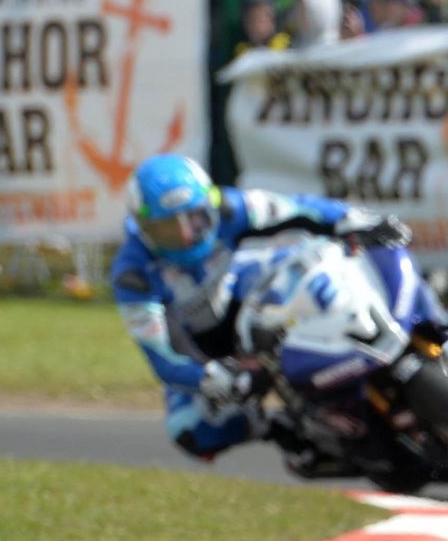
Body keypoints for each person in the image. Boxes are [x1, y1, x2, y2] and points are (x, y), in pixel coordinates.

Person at [110, 155, 408, 471]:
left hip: (247, 293)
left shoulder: (231, 208)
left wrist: (351, 219)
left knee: (312, 267)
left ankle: (380, 333)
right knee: (190, 429)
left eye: (194, 219)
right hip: (202, 348)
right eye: (168, 229)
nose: (185, 235)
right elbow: (163, 353)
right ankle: (288, 429)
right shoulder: (133, 272)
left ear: (209, 206)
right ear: (144, 230)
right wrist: (209, 376)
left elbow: (300, 209)